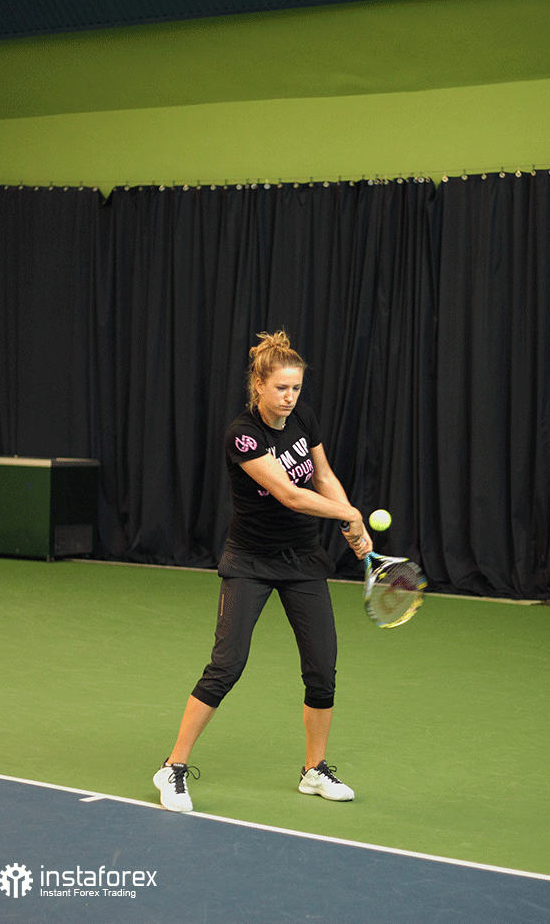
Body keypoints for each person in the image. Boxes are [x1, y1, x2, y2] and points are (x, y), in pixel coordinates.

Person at [153, 330, 372, 812]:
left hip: (303, 559)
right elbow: (290, 495)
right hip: (250, 561)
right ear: (259, 384)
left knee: (322, 669)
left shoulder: (303, 418)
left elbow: (322, 476)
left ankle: (314, 769)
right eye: (281, 388)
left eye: (296, 388)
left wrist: (349, 520)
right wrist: (350, 515)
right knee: (226, 665)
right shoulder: (243, 434)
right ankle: (173, 767)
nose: (290, 397)